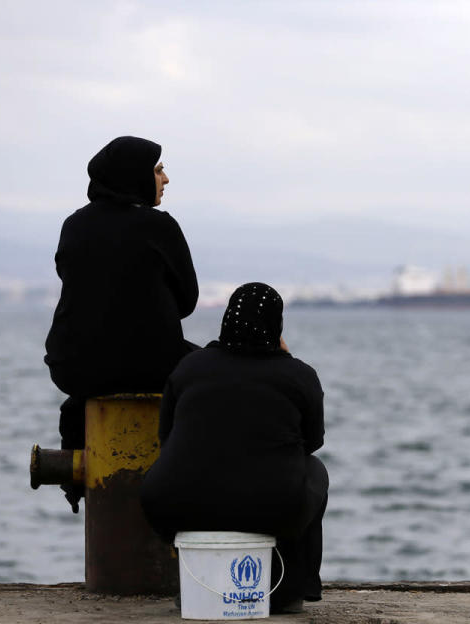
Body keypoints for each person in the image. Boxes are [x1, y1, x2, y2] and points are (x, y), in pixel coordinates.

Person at [140, 282, 328, 614]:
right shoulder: (299, 375)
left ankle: (196, 587)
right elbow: (312, 443)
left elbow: (166, 437)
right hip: (270, 509)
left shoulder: (189, 367)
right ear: (277, 325)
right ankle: (291, 590)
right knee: (314, 471)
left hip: (172, 504)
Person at [44, 136, 199, 511]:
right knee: (204, 368)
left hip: (73, 367)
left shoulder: (73, 225)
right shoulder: (159, 226)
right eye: (158, 170)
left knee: (99, 373)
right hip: (150, 367)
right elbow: (187, 302)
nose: (165, 179)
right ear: (136, 176)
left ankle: (78, 464)